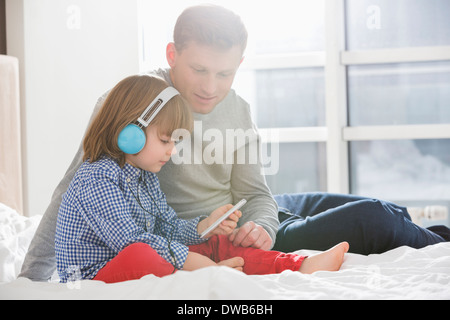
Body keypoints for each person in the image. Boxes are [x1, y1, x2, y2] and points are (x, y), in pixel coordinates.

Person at [20, 4, 448, 282]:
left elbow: (254, 193)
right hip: (210, 236)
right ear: (172, 54)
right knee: (371, 218)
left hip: (246, 214)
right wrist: (32, 277)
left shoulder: (237, 108)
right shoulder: (134, 106)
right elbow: (70, 190)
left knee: (389, 210)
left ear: (240, 64)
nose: (210, 88)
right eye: (199, 70)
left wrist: (262, 225)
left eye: (224, 74)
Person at [55, 74, 349, 283]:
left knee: (216, 242)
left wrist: (205, 227)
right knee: (143, 254)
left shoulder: (144, 176)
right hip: (92, 275)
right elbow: (132, 242)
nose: (172, 150)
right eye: (166, 140)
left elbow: (166, 225)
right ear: (130, 133)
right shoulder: (97, 179)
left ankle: (300, 266)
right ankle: (210, 276)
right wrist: (199, 265)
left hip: (144, 255)